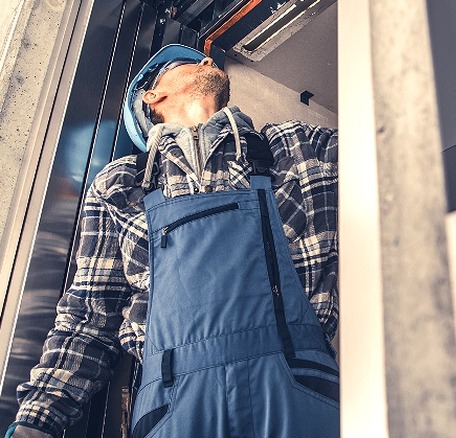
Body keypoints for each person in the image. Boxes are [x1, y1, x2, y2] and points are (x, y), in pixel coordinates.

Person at [5, 44, 339, 438]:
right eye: (190, 62)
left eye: (206, 59)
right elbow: (90, 317)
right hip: (171, 407)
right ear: (152, 95)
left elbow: (398, 148)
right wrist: (37, 421)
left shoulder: (298, 146)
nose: (207, 61)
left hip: (300, 386)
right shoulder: (120, 184)